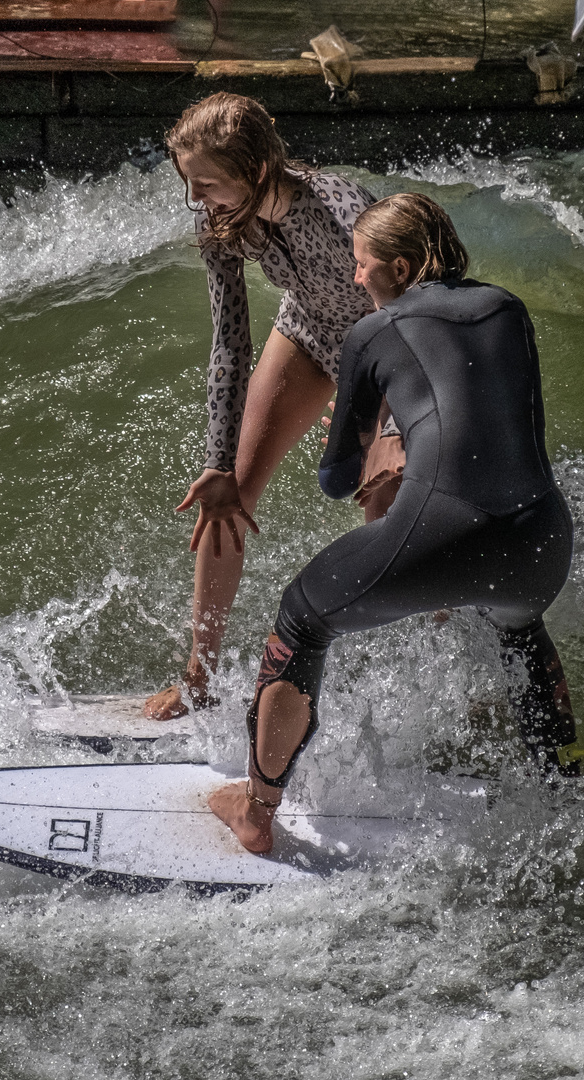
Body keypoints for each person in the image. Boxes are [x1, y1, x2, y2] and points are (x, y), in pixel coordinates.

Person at [208, 192, 581, 855]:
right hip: (543, 539)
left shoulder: (371, 333)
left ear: (401, 268)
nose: (356, 278)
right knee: (518, 625)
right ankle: (562, 788)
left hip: (446, 531)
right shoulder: (507, 309)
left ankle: (256, 809)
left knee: (302, 616)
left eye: (361, 264)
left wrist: (378, 447)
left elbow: (336, 480)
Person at [145, 92, 401, 721]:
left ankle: (444, 672)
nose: (195, 199)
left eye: (205, 183)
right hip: (309, 334)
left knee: (389, 506)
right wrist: (216, 458)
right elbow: (229, 344)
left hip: (387, 350)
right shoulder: (224, 228)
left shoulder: (343, 210)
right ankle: (198, 677)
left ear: (254, 169)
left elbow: (403, 320)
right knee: (226, 495)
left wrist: (363, 409)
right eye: (189, 184)